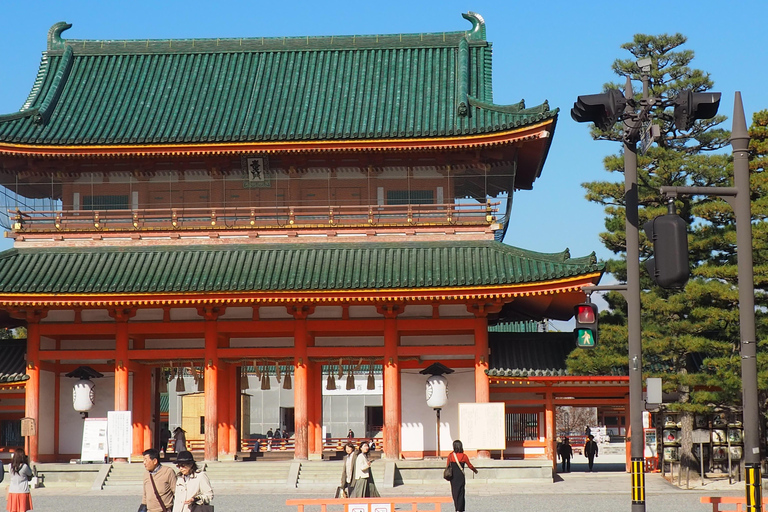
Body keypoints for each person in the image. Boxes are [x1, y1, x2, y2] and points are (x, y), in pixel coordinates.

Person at [445, 440, 478, 512]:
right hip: (461, 477)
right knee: (461, 492)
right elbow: (470, 465)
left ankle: (456, 507)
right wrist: (475, 470)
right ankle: (460, 509)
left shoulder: (450, 456)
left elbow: (447, 465)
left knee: (455, 492)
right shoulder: (464, 456)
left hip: (453, 477)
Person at [141, 448, 176, 512]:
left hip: (164, 510)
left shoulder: (168, 472)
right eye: (143, 460)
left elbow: (176, 492)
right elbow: (145, 496)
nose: (144, 463)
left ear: (154, 461)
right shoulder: (146, 474)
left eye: (146, 460)